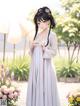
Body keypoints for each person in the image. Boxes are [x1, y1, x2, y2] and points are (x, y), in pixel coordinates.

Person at [26, 6, 61, 106]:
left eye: (41, 21)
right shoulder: (36, 35)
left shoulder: (52, 35)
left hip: (45, 67)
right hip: (35, 67)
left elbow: (54, 52)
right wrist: (32, 47)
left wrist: (45, 49)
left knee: (45, 88)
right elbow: (31, 53)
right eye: (38, 22)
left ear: (47, 22)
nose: (39, 24)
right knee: (36, 87)